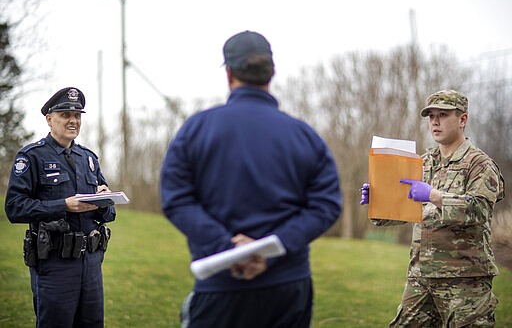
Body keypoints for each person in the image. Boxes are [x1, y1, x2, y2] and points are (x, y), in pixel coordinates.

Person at [160, 30, 342, 328]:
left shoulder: (197, 129)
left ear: (229, 73)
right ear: (271, 73)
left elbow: (177, 200)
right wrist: (273, 247)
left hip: (221, 284)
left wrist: (229, 248)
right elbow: (326, 206)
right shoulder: (304, 135)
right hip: (287, 289)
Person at [360, 89, 505, 327]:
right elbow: (408, 208)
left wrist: (434, 196)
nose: (435, 121)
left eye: (443, 114)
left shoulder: (480, 164)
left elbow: (479, 211)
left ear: (462, 119)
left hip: (464, 279)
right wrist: (378, 201)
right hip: (421, 275)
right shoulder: (423, 163)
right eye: (431, 116)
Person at [4, 87, 116, 328]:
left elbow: (110, 212)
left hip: (91, 263)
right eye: (65, 115)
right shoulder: (32, 157)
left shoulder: (88, 158)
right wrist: (63, 206)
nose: (73, 121)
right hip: (55, 263)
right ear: (49, 119)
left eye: (77, 115)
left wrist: (105, 201)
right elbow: (14, 207)